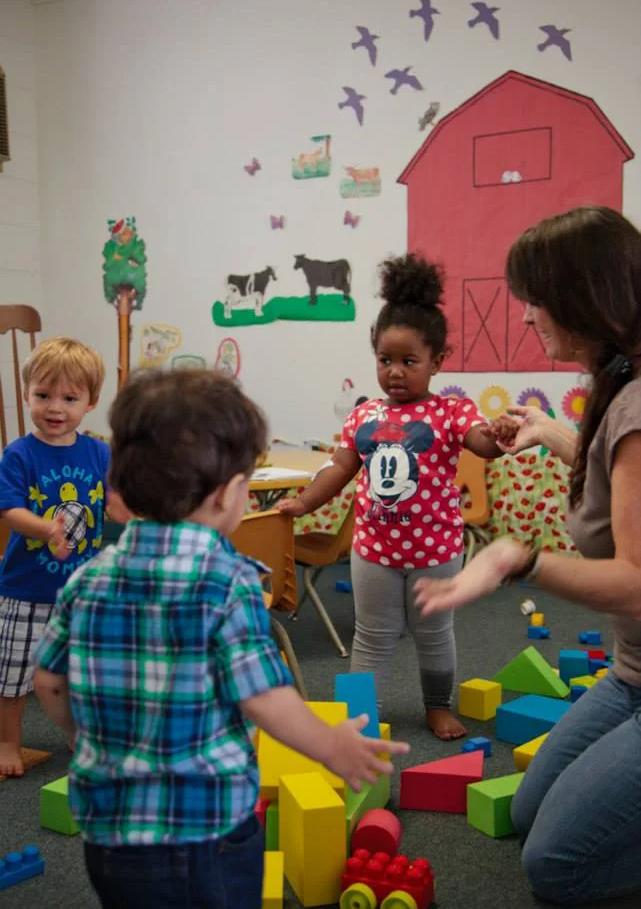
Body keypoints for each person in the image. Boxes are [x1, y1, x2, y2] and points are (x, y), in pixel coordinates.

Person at [33, 369, 409, 909]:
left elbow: (49, 682)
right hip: (205, 833)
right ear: (231, 494)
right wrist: (331, 746)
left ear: (119, 488)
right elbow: (265, 698)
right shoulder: (227, 581)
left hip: (108, 831)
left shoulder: (85, 581)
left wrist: (79, 733)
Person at [414, 206, 641, 905]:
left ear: (582, 299)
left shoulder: (636, 405)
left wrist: (519, 560)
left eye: (535, 300)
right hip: (630, 675)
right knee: (524, 810)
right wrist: (550, 432)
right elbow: (616, 482)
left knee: (558, 867)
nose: (525, 315)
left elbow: (636, 583)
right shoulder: (619, 383)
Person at [280, 254, 506, 739]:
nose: (395, 372)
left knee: (433, 634)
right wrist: (304, 503)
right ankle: (359, 718)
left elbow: (482, 444)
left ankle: (437, 705)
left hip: (435, 552)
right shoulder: (364, 416)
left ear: (437, 361)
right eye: (385, 360)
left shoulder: (452, 412)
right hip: (374, 551)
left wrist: (501, 435)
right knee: (371, 636)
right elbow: (339, 468)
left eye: (409, 362)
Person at [0, 336, 111, 777]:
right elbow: (9, 509)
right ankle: (7, 742)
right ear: (27, 394)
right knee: (12, 677)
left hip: (82, 591)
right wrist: (47, 529)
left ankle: (78, 732)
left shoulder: (99, 451)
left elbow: (118, 502)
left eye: (69, 398)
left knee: (83, 672)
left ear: (90, 402)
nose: (54, 408)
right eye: (43, 395)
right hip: (26, 590)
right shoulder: (19, 453)